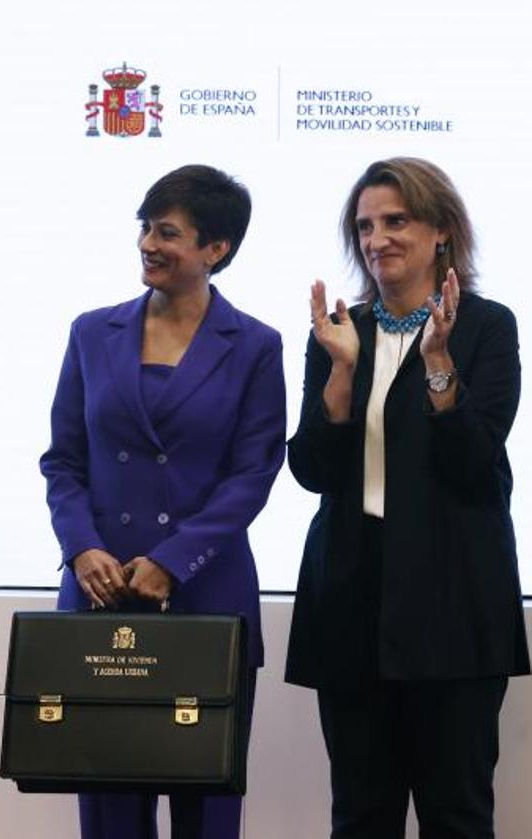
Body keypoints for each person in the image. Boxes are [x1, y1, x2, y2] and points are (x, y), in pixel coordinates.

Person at [41, 164, 286, 838]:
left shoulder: (257, 346)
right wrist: (82, 546)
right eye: (146, 226)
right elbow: (62, 461)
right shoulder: (92, 332)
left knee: (207, 812)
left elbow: (253, 474)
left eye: (168, 231)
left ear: (217, 250)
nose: (149, 242)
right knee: (108, 809)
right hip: (101, 596)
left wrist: (174, 559)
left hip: (207, 598)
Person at [286, 157, 528, 837]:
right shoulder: (339, 331)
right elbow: (309, 467)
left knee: (456, 813)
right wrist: (338, 372)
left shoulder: (486, 327)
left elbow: (473, 460)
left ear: (441, 232)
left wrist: (440, 362)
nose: (377, 237)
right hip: (352, 604)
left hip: (452, 604)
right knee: (360, 814)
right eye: (365, 225)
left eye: (396, 220)